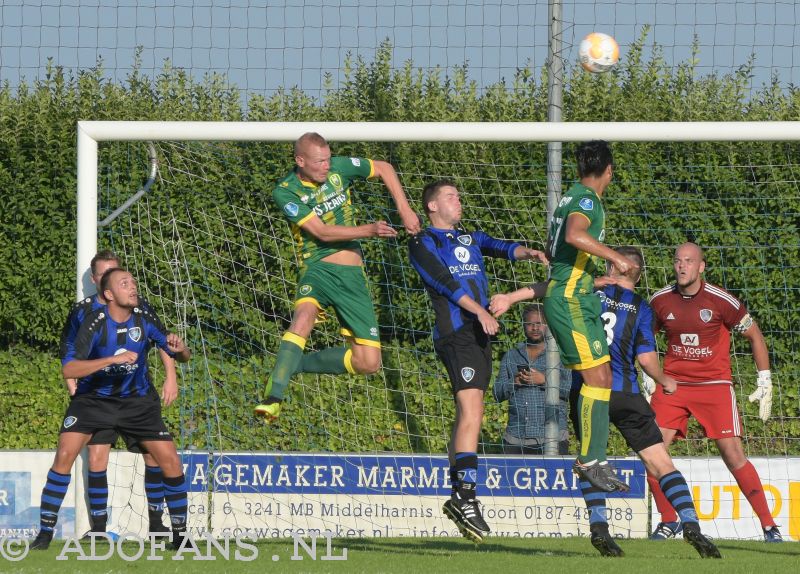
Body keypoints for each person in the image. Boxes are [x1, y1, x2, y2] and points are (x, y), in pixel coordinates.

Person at [490, 247, 721, 559]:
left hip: (587, 390)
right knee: (659, 461)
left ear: (616, 267)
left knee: (592, 460)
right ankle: (691, 524)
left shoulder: (589, 291)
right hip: (625, 393)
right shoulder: (642, 308)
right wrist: (664, 379)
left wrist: (513, 296)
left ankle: (599, 528)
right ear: (638, 276)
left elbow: (555, 290)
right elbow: (646, 358)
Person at [408, 179, 548, 543]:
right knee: (472, 411)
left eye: (459, 196)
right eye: (451, 197)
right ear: (432, 207)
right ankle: (467, 497)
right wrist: (480, 313)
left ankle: (458, 495)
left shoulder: (469, 238)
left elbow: (499, 247)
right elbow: (443, 284)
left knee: (468, 413)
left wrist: (527, 253)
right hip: (457, 334)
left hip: (479, 335)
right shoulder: (423, 242)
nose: (459, 201)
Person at [255, 132, 420, 422]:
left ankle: (292, 366)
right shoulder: (286, 191)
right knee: (303, 317)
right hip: (316, 268)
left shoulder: (338, 168)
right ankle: (274, 396)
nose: (326, 166)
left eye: (328, 159)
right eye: (319, 162)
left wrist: (404, 209)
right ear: (300, 160)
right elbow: (321, 232)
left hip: (352, 277)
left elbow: (384, 167)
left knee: (368, 362)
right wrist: (368, 230)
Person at [31, 268, 191, 550]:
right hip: (93, 400)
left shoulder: (144, 319)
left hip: (137, 403)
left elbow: (182, 356)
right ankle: (44, 534)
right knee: (65, 453)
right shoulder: (93, 323)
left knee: (170, 460)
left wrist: (181, 347)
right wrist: (107, 362)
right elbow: (69, 368)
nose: (133, 287)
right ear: (109, 294)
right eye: (124, 283)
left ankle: (179, 537)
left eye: (133, 282)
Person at [646, 242, 781, 542]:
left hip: (714, 386)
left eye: (689, 261)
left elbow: (755, 335)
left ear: (701, 266)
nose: (682, 266)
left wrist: (765, 379)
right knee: (651, 453)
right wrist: (649, 375)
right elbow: (644, 337)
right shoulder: (660, 300)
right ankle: (669, 521)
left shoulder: (722, 301)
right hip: (673, 386)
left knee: (733, 456)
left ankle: (769, 526)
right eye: (678, 260)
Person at [542, 140, 638, 492]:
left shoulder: (569, 195)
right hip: (570, 300)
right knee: (597, 378)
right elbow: (575, 234)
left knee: (602, 376)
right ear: (609, 171)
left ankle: (595, 458)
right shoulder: (586, 199)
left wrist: (597, 276)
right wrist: (618, 257)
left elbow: (566, 252)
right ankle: (587, 459)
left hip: (576, 295)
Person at [59, 250, 176, 536]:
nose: (114, 276)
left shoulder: (139, 306)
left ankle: (157, 525)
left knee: (152, 454)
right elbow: (68, 354)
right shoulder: (82, 312)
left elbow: (162, 340)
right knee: (97, 455)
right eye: (106, 272)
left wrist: (171, 377)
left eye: (118, 270)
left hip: (137, 397)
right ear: (96, 278)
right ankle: (99, 529)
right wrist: (73, 388)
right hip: (97, 397)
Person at [492, 304, 572, 455]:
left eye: (540, 323)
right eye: (530, 324)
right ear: (523, 326)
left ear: (548, 325)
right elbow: (497, 393)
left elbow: (571, 391)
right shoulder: (511, 356)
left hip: (553, 438)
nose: (535, 328)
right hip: (515, 438)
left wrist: (545, 381)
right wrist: (514, 382)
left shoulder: (562, 356)